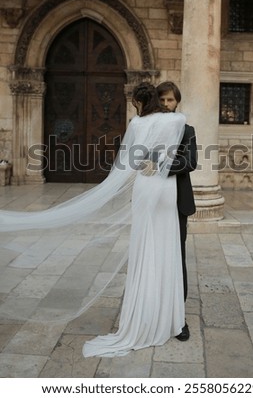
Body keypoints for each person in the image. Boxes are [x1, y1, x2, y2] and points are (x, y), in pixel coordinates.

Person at [0, 82, 187, 358]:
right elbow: (172, 153)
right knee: (167, 248)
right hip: (166, 189)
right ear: (159, 100)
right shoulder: (178, 120)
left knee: (146, 249)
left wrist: (145, 164)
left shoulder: (137, 123)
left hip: (146, 186)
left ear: (138, 102)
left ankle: (145, 315)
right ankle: (169, 317)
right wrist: (160, 163)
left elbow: (131, 162)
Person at [156, 81, 197, 342]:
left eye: (170, 100)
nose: (166, 105)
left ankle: (178, 318)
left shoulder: (187, 129)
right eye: (162, 100)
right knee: (154, 257)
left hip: (177, 201)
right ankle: (153, 309)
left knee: (176, 256)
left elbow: (191, 161)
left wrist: (160, 166)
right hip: (153, 201)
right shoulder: (149, 127)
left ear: (177, 102)